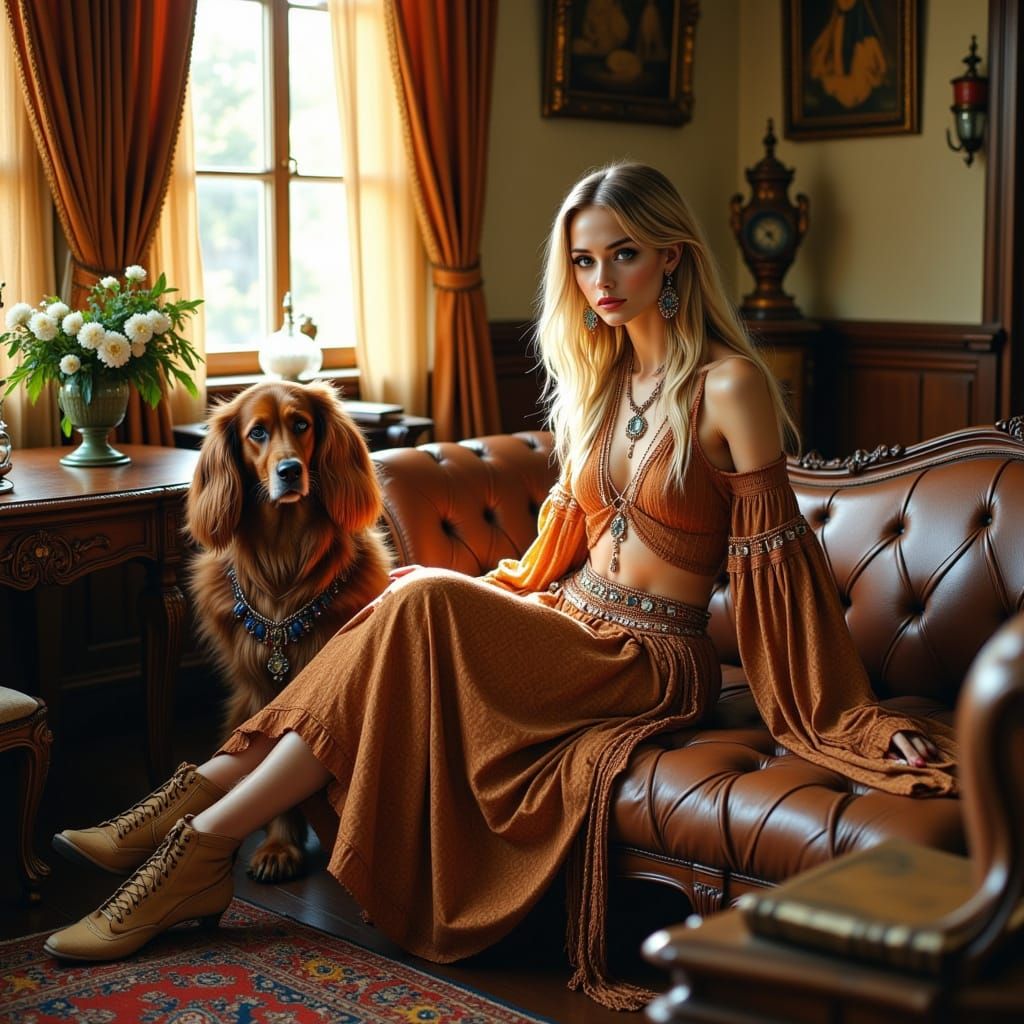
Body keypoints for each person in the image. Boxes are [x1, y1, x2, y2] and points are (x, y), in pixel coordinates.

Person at [43, 163, 956, 1011]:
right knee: (416, 592)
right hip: (570, 622)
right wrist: (497, 590)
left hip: (649, 660)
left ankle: (188, 828)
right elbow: (560, 540)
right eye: (585, 259)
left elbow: (778, 562)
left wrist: (844, 712)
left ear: (673, 256)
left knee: (419, 598)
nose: (602, 279)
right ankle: (196, 836)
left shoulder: (729, 386)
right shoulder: (603, 383)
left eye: (625, 254)